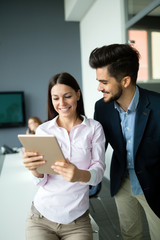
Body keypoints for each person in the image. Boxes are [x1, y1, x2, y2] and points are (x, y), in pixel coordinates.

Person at [22, 72, 106, 240]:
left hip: (77, 221)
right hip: (41, 217)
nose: (61, 103)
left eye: (67, 96)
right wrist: (34, 170)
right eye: (55, 98)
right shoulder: (43, 130)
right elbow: (41, 181)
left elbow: (98, 173)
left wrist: (79, 175)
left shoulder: (93, 128)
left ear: (78, 94)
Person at [89, 44, 160, 240]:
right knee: (129, 234)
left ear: (126, 80)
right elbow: (97, 147)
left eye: (104, 81)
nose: (99, 87)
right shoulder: (101, 107)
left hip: (155, 183)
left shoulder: (158, 106)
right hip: (122, 182)